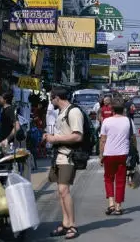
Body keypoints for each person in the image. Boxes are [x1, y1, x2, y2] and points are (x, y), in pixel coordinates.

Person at [43, 87, 84, 240]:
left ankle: (72, 225)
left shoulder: (73, 112)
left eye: (51, 99)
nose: (50, 102)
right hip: (59, 155)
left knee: (64, 191)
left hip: (68, 156)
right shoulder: (62, 112)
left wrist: (55, 139)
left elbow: (77, 136)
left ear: (57, 98)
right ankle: (66, 223)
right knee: (61, 191)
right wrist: (51, 137)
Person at [99, 97, 136, 216]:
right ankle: (118, 206)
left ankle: (111, 203)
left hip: (109, 154)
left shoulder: (106, 121)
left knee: (108, 178)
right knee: (120, 180)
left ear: (112, 109)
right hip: (123, 154)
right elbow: (133, 139)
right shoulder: (129, 121)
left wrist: (101, 155)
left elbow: (103, 140)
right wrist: (135, 153)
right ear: (123, 109)